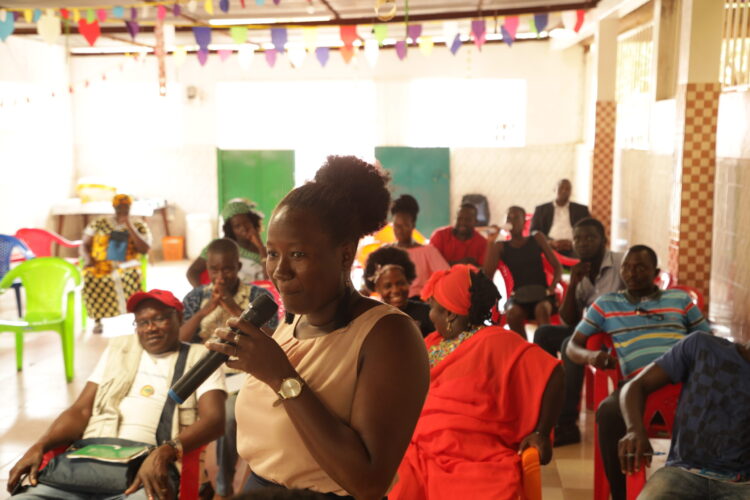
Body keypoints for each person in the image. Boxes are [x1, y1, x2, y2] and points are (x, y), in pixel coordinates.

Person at [205, 155, 430, 499]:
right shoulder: (292, 321)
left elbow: (368, 482)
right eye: (272, 253)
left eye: (297, 254)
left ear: (345, 254)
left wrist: (280, 375)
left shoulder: (389, 336)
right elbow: (272, 451)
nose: (280, 271)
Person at [7, 289, 226, 500]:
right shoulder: (119, 348)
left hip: (147, 467)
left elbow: (214, 420)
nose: (150, 328)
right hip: (87, 461)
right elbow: (81, 410)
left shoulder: (201, 358)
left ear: (178, 317)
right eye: (142, 322)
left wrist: (166, 451)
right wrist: (40, 445)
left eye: (159, 319)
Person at [390, 264, 564, 500]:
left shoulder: (495, 340)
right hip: (418, 449)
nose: (430, 315)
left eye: (433, 308)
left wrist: (542, 433)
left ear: (450, 314)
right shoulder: (433, 341)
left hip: (473, 453)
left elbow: (555, 373)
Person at [564, 245, 711, 500]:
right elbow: (572, 346)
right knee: (608, 413)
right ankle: (621, 494)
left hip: (685, 381)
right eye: (627, 267)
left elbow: (707, 341)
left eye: (640, 267)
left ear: (656, 272)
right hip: (637, 386)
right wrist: (592, 356)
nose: (632, 273)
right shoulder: (606, 304)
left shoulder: (679, 300)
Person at [179, 238, 279, 500]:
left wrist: (234, 308)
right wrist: (204, 312)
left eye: (227, 269)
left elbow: (275, 340)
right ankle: (191, 478)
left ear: (238, 267)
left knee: (227, 414)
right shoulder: (196, 297)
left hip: (242, 373)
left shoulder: (257, 298)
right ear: (207, 269)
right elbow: (180, 339)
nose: (221, 276)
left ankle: (223, 488)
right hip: (202, 373)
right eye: (214, 269)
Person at [619, 332, 750, 499]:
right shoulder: (702, 345)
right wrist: (634, 429)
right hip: (681, 473)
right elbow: (636, 386)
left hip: (742, 484)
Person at [533, 217, 625, 446]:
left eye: (590, 238)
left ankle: (567, 425)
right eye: (578, 239)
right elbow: (568, 319)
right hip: (589, 331)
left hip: (614, 336)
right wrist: (573, 283)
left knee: (569, 345)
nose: (583, 243)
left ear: (603, 240)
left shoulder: (620, 263)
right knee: (543, 334)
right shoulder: (581, 271)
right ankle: (546, 407)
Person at [483, 206, 562, 338]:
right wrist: (491, 242)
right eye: (509, 218)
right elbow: (488, 274)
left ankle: (545, 346)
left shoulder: (537, 238)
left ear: (524, 221)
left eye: (516, 217)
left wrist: (552, 287)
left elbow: (557, 267)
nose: (512, 221)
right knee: (513, 314)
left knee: (541, 310)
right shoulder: (500, 246)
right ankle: (523, 346)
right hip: (518, 297)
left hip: (542, 295)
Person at [81, 194, 152, 334]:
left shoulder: (138, 225)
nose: (122, 209)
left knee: (133, 275)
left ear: (130, 207)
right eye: (119, 207)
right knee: (90, 277)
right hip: (100, 264)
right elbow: (84, 244)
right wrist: (87, 259)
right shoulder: (100, 222)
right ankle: (97, 320)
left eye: (126, 207)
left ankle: (138, 318)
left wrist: (129, 226)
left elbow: (144, 249)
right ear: (114, 206)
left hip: (127, 264)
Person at [187, 199, 267, 287]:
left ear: (253, 222)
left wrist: (261, 248)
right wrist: (201, 292)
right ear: (230, 229)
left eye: (246, 223)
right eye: (237, 226)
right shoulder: (221, 247)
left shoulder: (267, 249)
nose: (244, 228)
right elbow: (192, 272)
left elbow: (269, 281)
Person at [364, 246, 435, 336]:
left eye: (400, 283)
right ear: (377, 288)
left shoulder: (426, 312)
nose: (396, 290)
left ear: (408, 281)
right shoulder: (373, 319)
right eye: (388, 286)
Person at [390, 194, 449, 299]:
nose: (399, 230)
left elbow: (446, 277)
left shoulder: (428, 251)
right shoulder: (386, 252)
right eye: (396, 226)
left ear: (413, 225)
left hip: (419, 302)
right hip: (390, 303)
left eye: (405, 225)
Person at [530, 179, 590, 256]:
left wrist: (574, 242)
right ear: (554, 189)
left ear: (570, 192)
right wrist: (550, 243)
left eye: (567, 189)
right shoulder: (541, 209)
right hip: (549, 247)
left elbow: (588, 229)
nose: (564, 191)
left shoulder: (581, 210)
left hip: (574, 247)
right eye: (561, 187)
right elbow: (534, 231)